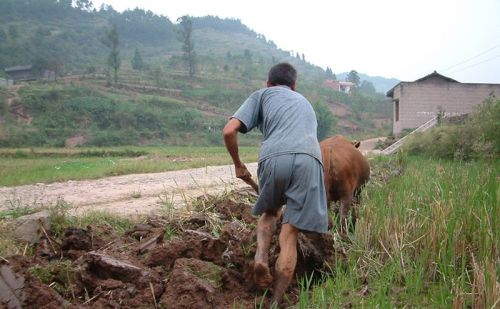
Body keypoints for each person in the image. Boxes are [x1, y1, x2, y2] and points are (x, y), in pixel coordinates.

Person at [222, 63, 328, 303]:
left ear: (268, 84)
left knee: (270, 213)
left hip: (274, 156)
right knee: (289, 232)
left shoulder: (262, 95)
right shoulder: (305, 103)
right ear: (294, 86)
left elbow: (229, 131)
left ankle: (260, 258)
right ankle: (277, 300)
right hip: (310, 159)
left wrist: (238, 164)